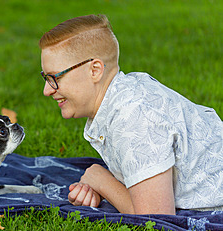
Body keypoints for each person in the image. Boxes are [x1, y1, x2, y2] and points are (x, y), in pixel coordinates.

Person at [39, 14, 222, 215]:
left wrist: (101, 180)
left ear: (95, 70)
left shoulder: (135, 117)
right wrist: (103, 188)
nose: (47, 91)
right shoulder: (124, 94)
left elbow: (156, 216)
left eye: (54, 78)